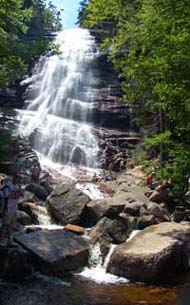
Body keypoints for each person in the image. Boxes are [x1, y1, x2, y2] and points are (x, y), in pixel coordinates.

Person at [0, 173, 21, 246]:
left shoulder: (17, 185)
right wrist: (14, 192)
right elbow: (5, 195)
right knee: (5, 225)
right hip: (7, 208)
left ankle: (9, 240)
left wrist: (19, 192)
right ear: (14, 177)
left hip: (14, 208)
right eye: (18, 178)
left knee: (11, 225)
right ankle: (2, 240)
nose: (19, 180)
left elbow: (18, 197)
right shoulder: (8, 185)